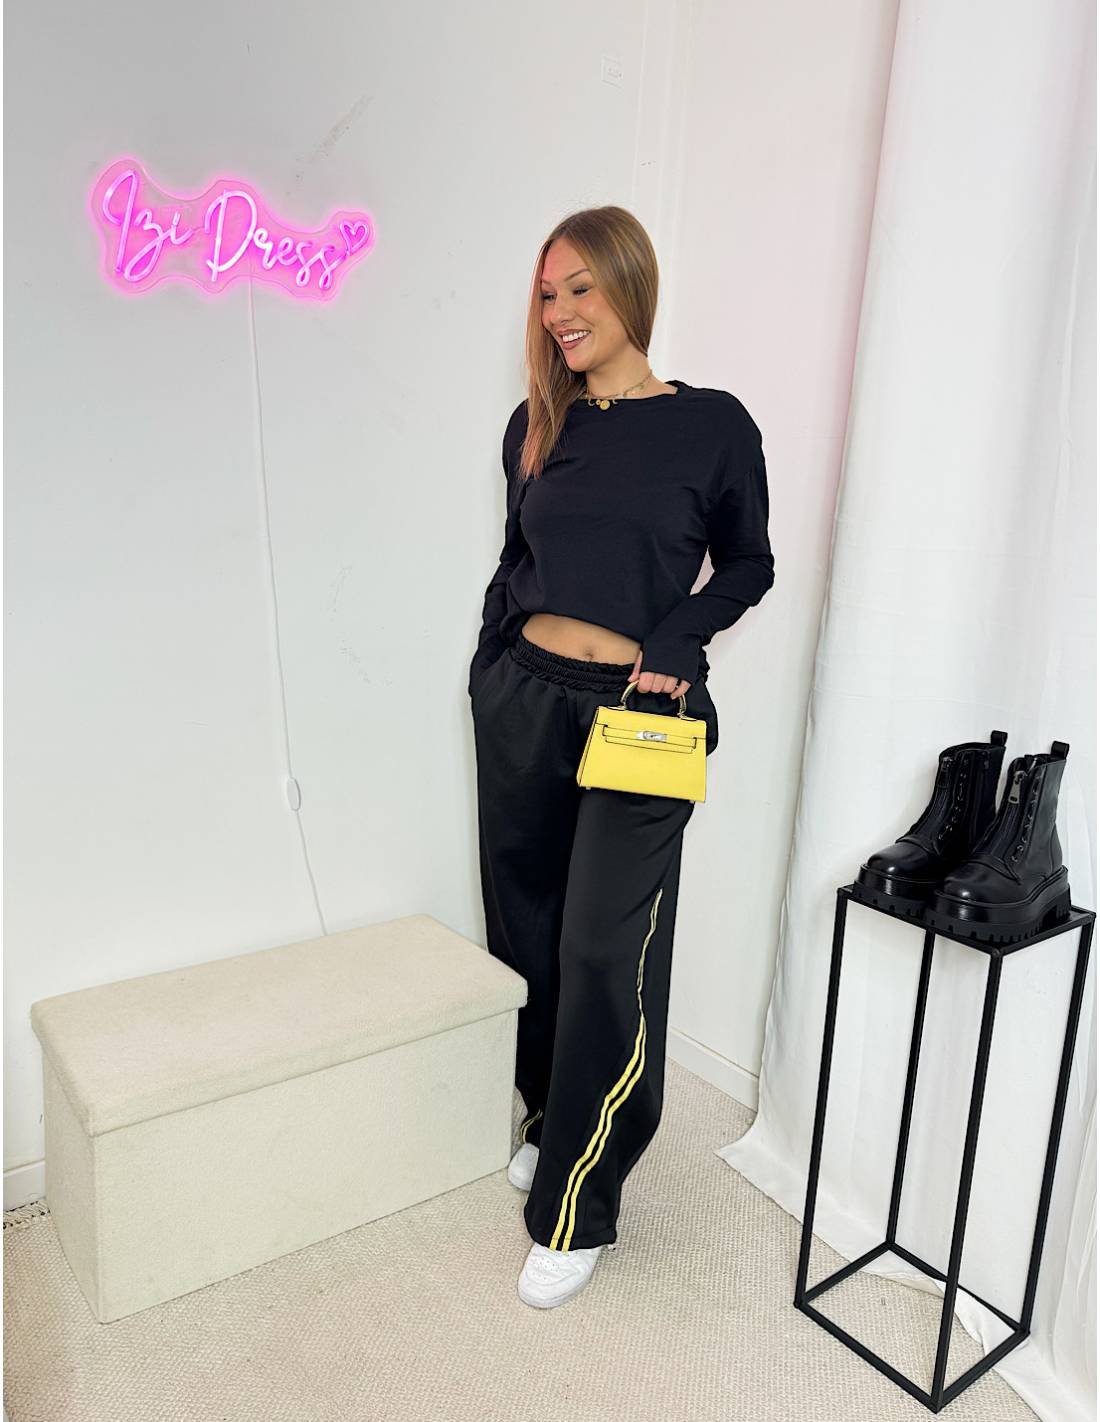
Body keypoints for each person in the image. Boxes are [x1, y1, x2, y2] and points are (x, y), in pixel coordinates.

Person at [468, 206, 775, 1308]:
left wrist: (680, 638)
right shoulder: (535, 423)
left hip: (640, 713)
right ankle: (551, 1118)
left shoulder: (712, 426)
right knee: (529, 927)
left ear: (630, 286)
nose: (559, 314)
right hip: (524, 695)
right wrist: (490, 670)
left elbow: (749, 563)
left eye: (580, 289)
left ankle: (578, 1205)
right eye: (547, 295)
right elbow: (517, 558)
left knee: (608, 951)